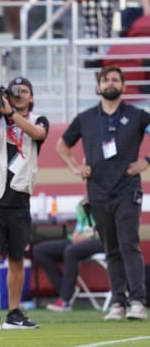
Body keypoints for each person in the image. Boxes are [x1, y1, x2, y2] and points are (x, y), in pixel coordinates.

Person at [56, 65, 149, 320]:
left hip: (127, 190)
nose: (110, 84)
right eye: (105, 80)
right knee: (111, 249)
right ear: (98, 87)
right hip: (97, 192)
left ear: (123, 85)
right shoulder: (85, 118)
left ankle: (138, 302)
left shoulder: (138, 115)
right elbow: (62, 144)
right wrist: (75, 167)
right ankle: (118, 303)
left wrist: (146, 162)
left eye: (115, 80)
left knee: (129, 244)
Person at [0, 76, 48, 329]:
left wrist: (10, 112)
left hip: (19, 197)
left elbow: (38, 133)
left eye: (24, 90)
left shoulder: (37, 120)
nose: (19, 94)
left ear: (32, 97)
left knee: (16, 257)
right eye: (15, 91)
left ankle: (14, 312)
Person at [33, 197, 104, 312]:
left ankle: (65, 300)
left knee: (71, 250)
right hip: (78, 241)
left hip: (101, 242)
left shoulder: (105, 201)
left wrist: (86, 236)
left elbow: (103, 232)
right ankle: (66, 290)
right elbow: (78, 230)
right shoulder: (82, 204)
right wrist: (81, 235)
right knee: (39, 250)